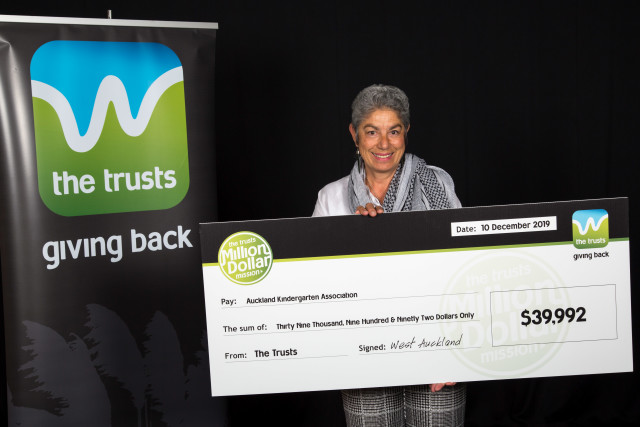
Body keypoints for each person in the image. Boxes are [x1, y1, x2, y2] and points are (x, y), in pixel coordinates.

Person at [312, 84, 466, 427]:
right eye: (372, 132)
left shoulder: (438, 183)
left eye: (393, 131)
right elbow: (317, 285)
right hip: (363, 355)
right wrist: (354, 236)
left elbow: (462, 265)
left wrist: (457, 350)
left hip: (437, 348)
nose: (384, 144)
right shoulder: (331, 198)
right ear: (354, 134)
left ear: (406, 132)